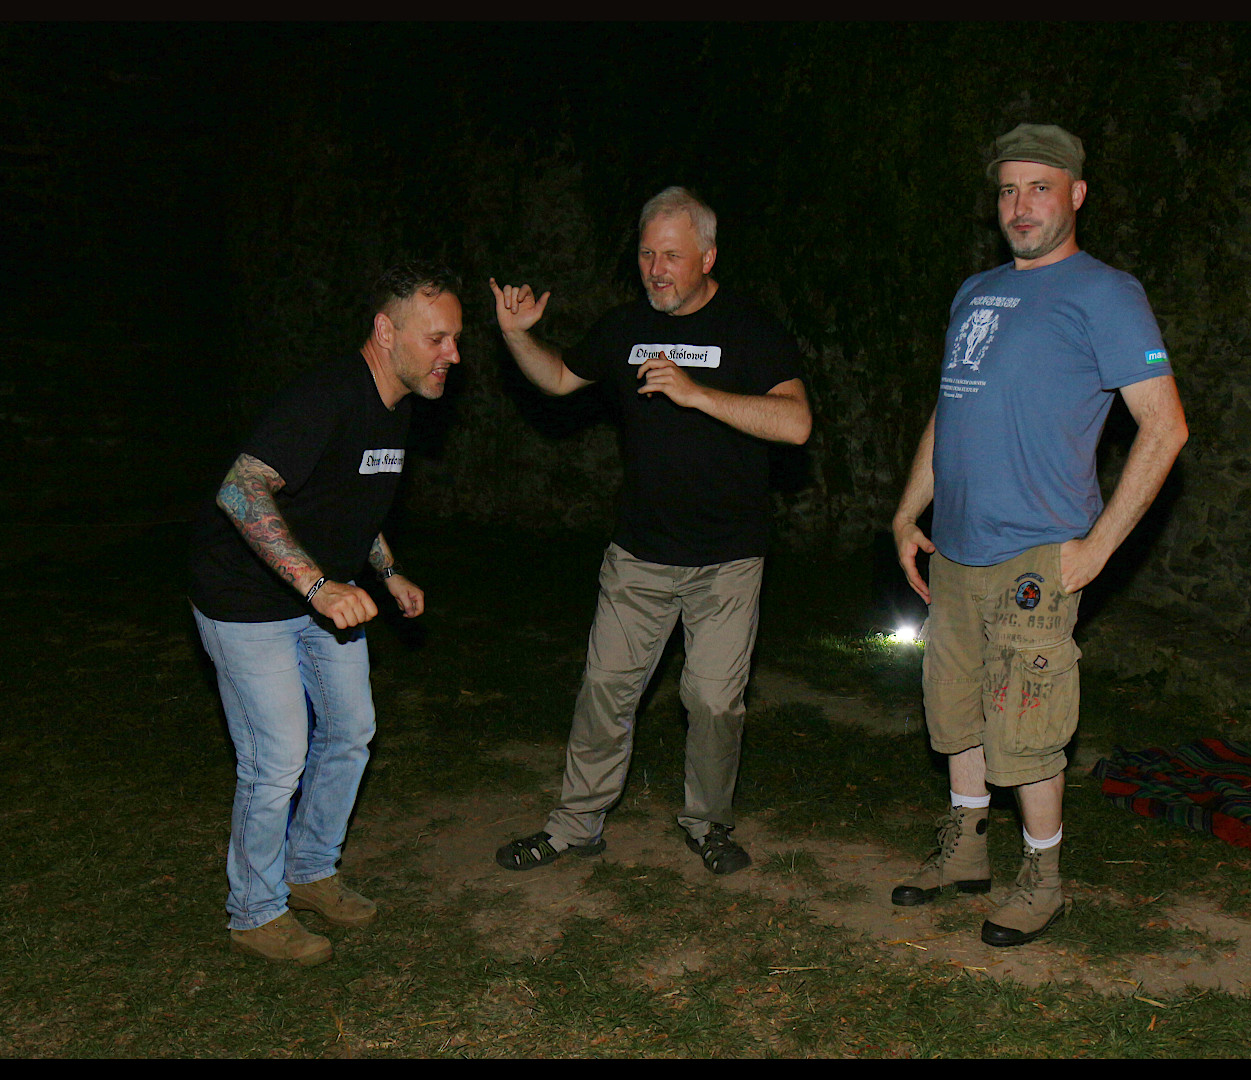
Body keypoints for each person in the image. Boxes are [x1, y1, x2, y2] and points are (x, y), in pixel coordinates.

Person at [889, 125, 1188, 946]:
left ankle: (1043, 881)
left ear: (1076, 194)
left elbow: (1164, 427)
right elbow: (951, 406)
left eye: (1040, 188)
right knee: (956, 713)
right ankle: (964, 853)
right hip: (955, 546)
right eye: (1008, 191)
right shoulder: (975, 291)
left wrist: (1096, 549)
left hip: (1037, 549)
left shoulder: (1106, 293)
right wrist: (909, 511)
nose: (1021, 207)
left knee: (1026, 725)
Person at [489, 186, 812, 877]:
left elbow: (795, 423)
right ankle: (576, 825)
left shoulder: (751, 330)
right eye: (645, 254)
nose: (656, 270)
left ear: (708, 257)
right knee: (604, 691)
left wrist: (696, 393)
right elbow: (559, 379)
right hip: (638, 554)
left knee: (713, 702)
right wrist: (517, 336)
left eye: (671, 256)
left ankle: (708, 823)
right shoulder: (623, 327)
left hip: (726, 559)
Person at [188, 260, 463, 964]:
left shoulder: (398, 406)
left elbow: (349, 500)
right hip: (247, 600)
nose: (453, 355)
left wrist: (387, 571)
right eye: (437, 339)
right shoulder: (325, 397)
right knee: (277, 756)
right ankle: (254, 912)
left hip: (324, 595)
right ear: (386, 331)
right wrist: (317, 587)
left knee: (349, 732)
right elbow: (241, 490)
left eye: (456, 339)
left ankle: (310, 871)